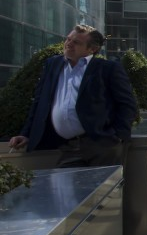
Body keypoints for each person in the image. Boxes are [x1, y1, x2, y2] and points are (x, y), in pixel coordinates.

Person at [8, 25, 138, 168]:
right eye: (68, 39)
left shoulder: (108, 69)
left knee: (105, 189)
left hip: (102, 145)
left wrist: (117, 136)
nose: (68, 44)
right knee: (66, 187)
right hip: (66, 146)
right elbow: (39, 102)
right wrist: (26, 134)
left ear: (92, 49)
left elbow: (127, 104)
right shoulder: (52, 64)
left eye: (76, 42)